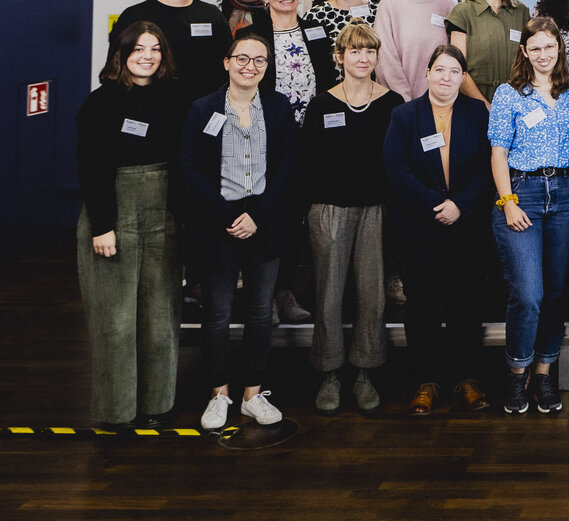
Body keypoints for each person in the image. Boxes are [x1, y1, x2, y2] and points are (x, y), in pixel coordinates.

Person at [180, 33, 298, 431]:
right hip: (218, 221)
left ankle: (252, 395)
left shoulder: (278, 108)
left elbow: (287, 167)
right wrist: (227, 215)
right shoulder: (203, 109)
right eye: (242, 59)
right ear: (226, 62)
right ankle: (219, 395)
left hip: (263, 220)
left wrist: (258, 215)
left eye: (259, 60)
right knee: (217, 315)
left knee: (261, 314)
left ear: (267, 66)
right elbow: (190, 169)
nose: (250, 66)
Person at [75, 22, 188, 430]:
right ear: (120, 54)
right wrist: (103, 226)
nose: (148, 55)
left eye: (155, 48)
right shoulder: (99, 103)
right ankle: (116, 411)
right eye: (138, 48)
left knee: (161, 316)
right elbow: (91, 168)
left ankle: (158, 403)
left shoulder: (175, 98)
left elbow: (183, 163)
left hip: (164, 213)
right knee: (115, 320)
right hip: (114, 213)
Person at [384, 45, 495, 417]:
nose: (446, 77)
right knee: (423, 305)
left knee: (468, 303)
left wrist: (459, 204)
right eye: (440, 70)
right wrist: (436, 204)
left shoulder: (477, 112)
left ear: (463, 78)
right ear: (427, 73)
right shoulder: (404, 115)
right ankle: (426, 382)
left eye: (454, 72)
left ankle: (467, 380)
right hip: (420, 225)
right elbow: (396, 169)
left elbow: (487, 166)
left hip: (467, 225)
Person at [300, 21, 403, 415]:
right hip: (328, 210)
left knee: (371, 295)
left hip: (375, 210)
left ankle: (363, 371)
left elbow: (396, 163)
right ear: (340, 57)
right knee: (328, 294)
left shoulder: (392, 104)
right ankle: (328, 372)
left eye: (369, 51)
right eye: (354, 51)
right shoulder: (322, 103)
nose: (362, 58)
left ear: (377, 57)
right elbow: (306, 162)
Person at [489, 17, 569, 415]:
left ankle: (545, 375)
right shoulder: (509, 94)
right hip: (523, 192)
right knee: (527, 294)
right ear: (524, 52)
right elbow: (498, 152)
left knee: (555, 292)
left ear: (559, 49)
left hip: (566, 194)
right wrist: (508, 201)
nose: (543, 54)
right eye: (536, 48)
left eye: (550, 47)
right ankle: (517, 376)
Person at [109, 0, 231, 99]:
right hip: (147, 112)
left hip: (198, 115)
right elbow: (115, 70)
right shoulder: (134, 16)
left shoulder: (212, 15)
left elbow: (228, 68)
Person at [373, 0, 458, 101]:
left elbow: (455, 59)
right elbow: (386, 62)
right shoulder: (388, 6)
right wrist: (406, 102)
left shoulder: (450, 5)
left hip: (442, 103)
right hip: (401, 105)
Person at [257, 0, 337, 124]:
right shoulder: (251, 36)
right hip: (269, 123)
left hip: (314, 124)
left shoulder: (318, 32)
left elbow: (329, 78)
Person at [446, 0, 526, 105]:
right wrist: (485, 107)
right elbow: (458, 70)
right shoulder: (462, 13)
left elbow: (529, 64)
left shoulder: (522, 12)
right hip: (473, 105)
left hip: (516, 103)